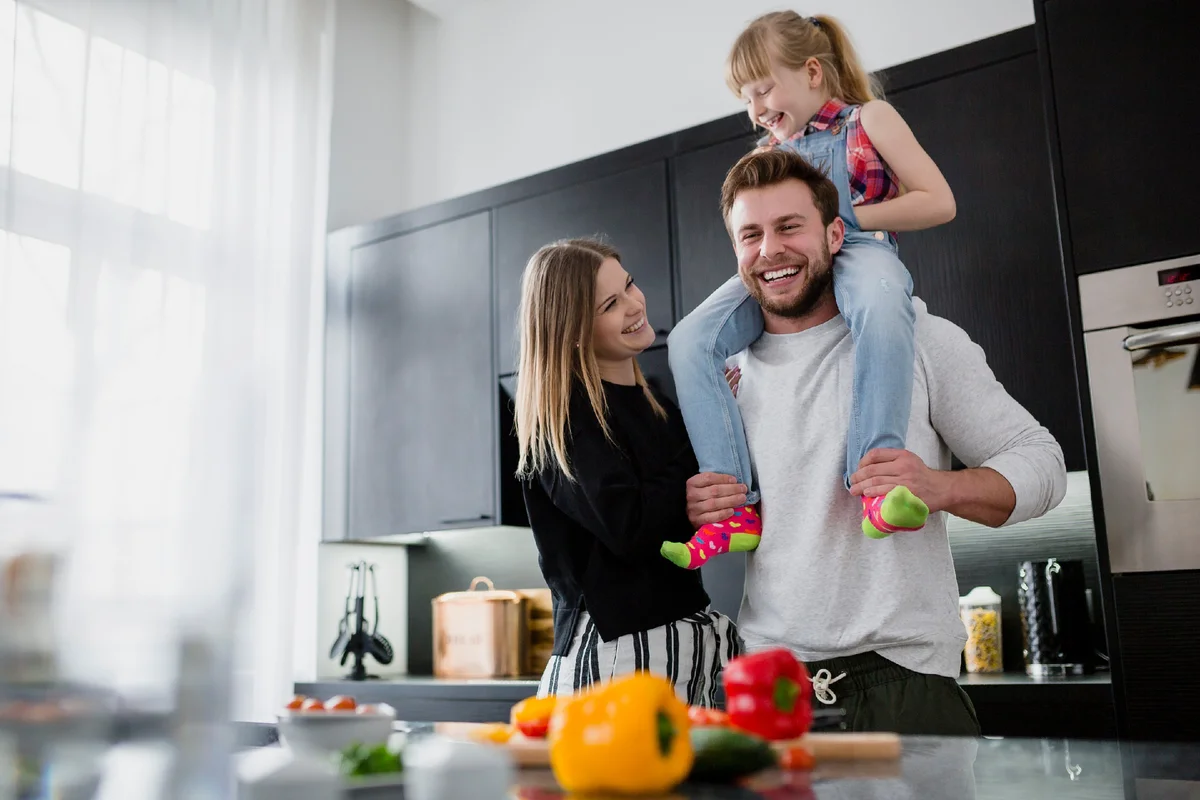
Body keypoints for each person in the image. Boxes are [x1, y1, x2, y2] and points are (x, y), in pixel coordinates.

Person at [687, 147, 1066, 735]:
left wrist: (937, 486)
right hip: (767, 683)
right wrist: (703, 504)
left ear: (836, 234)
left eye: (790, 227)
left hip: (904, 681)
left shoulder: (922, 340)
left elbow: (1043, 463)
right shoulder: (727, 376)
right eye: (750, 235)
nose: (770, 251)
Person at [662, 11, 957, 570]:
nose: (755, 110)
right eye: (745, 99)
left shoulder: (870, 119)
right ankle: (737, 509)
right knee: (689, 339)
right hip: (785, 267)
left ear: (813, 72)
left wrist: (838, 219)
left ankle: (876, 485)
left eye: (763, 89)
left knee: (879, 302)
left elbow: (938, 201)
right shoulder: (762, 159)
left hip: (863, 249)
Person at [513, 237, 742, 705]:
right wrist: (701, 440)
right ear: (573, 330)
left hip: (675, 648)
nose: (635, 304)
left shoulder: (656, 404)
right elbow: (629, 527)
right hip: (616, 658)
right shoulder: (562, 418)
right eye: (611, 304)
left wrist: (717, 414)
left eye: (630, 285)